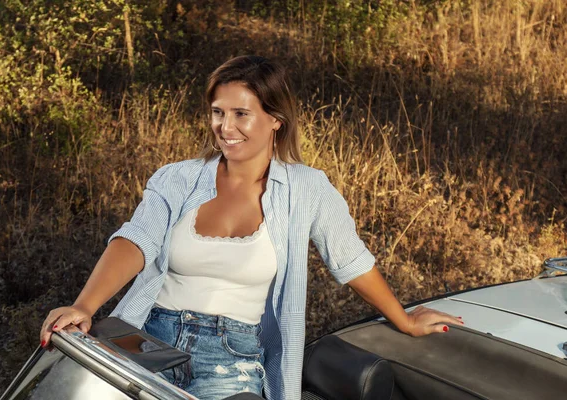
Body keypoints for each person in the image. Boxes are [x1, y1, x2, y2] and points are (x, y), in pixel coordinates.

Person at [39, 55, 462, 399]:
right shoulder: (178, 178)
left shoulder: (307, 189)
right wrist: (85, 305)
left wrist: (404, 320)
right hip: (147, 340)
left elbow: (350, 261)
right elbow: (136, 240)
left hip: (230, 357)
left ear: (275, 118)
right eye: (218, 113)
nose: (226, 127)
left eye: (242, 113)